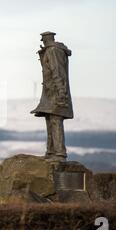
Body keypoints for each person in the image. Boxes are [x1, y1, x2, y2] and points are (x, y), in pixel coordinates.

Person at [31, 31, 73, 162]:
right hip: (50, 94)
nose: (42, 42)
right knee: (50, 120)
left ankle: (59, 153)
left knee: (55, 121)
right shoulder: (52, 50)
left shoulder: (53, 51)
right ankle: (51, 151)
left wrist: (61, 93)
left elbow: (57, 72)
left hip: (56, 94)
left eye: (43, 39)